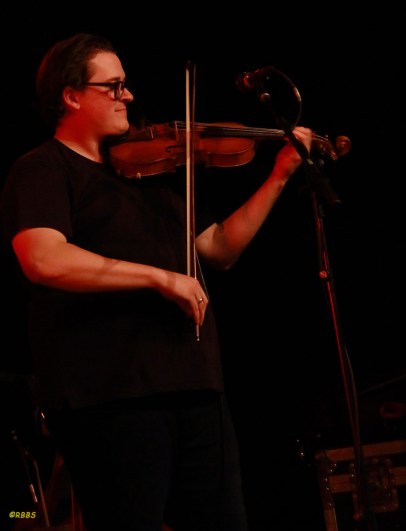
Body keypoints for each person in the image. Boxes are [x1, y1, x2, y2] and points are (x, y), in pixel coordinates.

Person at [0, 32, 312, 531]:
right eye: (113, 86)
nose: (128, 95)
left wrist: (279, 175)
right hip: (111, 397)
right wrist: (160, 278)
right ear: (71, 95)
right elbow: (44, 258)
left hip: (196, 387)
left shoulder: (152, 173)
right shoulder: (42, 169)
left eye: (125, 84)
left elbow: (219, 248)